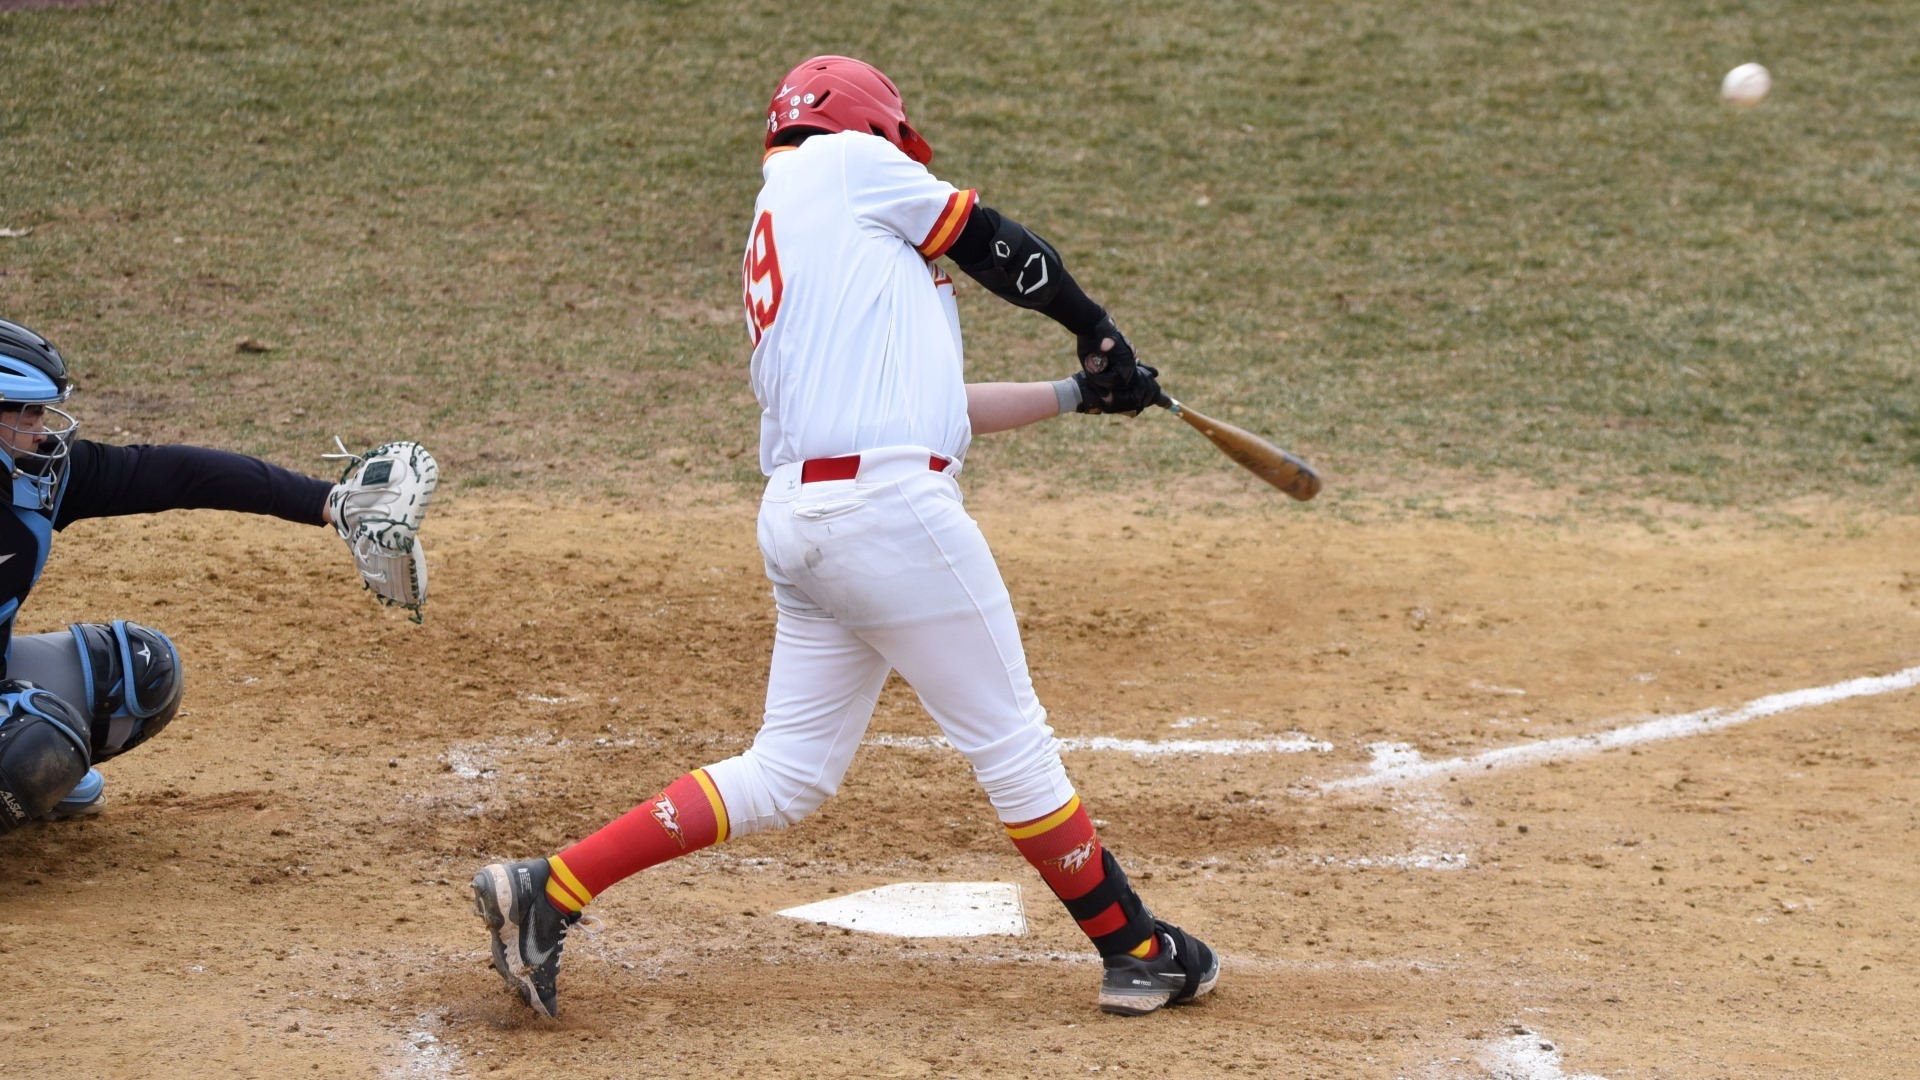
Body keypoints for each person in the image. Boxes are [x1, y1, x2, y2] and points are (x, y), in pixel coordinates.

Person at [472, 55, 1217, 1020]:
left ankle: (550, 889)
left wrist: (1081, 394)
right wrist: (1093, 325)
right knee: (1013, 746)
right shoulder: (843, 165)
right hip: (887, 514)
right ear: (870, 126)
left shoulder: (795, 223)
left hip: (809, 521)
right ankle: (1137, 950)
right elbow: (993, 240)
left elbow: (934, 406)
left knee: (787, 772)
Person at [0, 317, 435, 831]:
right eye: (26, 413)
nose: (42, 430)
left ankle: (25, 776)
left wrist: (327, 502)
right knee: (33, 739)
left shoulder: (39, 476)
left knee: (137, 675)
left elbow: (178, 474)